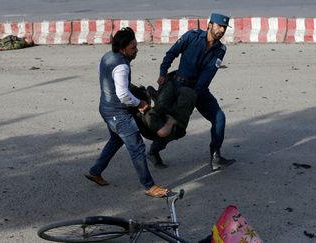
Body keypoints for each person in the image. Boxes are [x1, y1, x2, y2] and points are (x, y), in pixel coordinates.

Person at [85, 27, 169, 198]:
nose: (136, 49)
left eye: (136, 45)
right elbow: (122, 94)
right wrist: (140, 103)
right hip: (118, 113)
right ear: (123, 48)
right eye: (133, 47)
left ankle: (95, 171)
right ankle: (149, 186)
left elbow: (105, 77)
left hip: (105, 108)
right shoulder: (122, 65)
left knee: (116, 140)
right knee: (137, 147)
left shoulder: (106, 57)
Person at [147, 13, 236, 171]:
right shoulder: (191, 36)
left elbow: (208, 74)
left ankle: (216, 156)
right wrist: (162, 73)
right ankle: (154, 151)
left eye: (224, 28)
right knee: (174, 126)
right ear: (210, 25)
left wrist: (193, 95)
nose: (221, 30)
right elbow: (171, 53)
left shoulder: (220, 49)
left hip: (199, 90)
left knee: (219, 118)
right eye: (219, 26)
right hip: (177, 86)